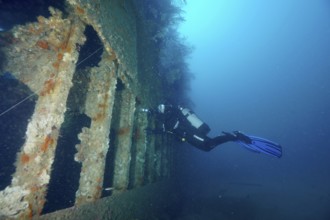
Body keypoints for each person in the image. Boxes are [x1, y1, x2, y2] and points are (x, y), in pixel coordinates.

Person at [147, 104, 282, 158]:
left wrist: (155, 123)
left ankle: (234, 136)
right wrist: (155, 131)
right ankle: (233, 136)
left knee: (208, 145)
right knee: (207, 146)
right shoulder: (171, 115)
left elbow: (169, 127)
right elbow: (169, 130)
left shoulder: (172, 114)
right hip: (190, 134)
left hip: (191, 132)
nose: (160, 111)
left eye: (160, 110)